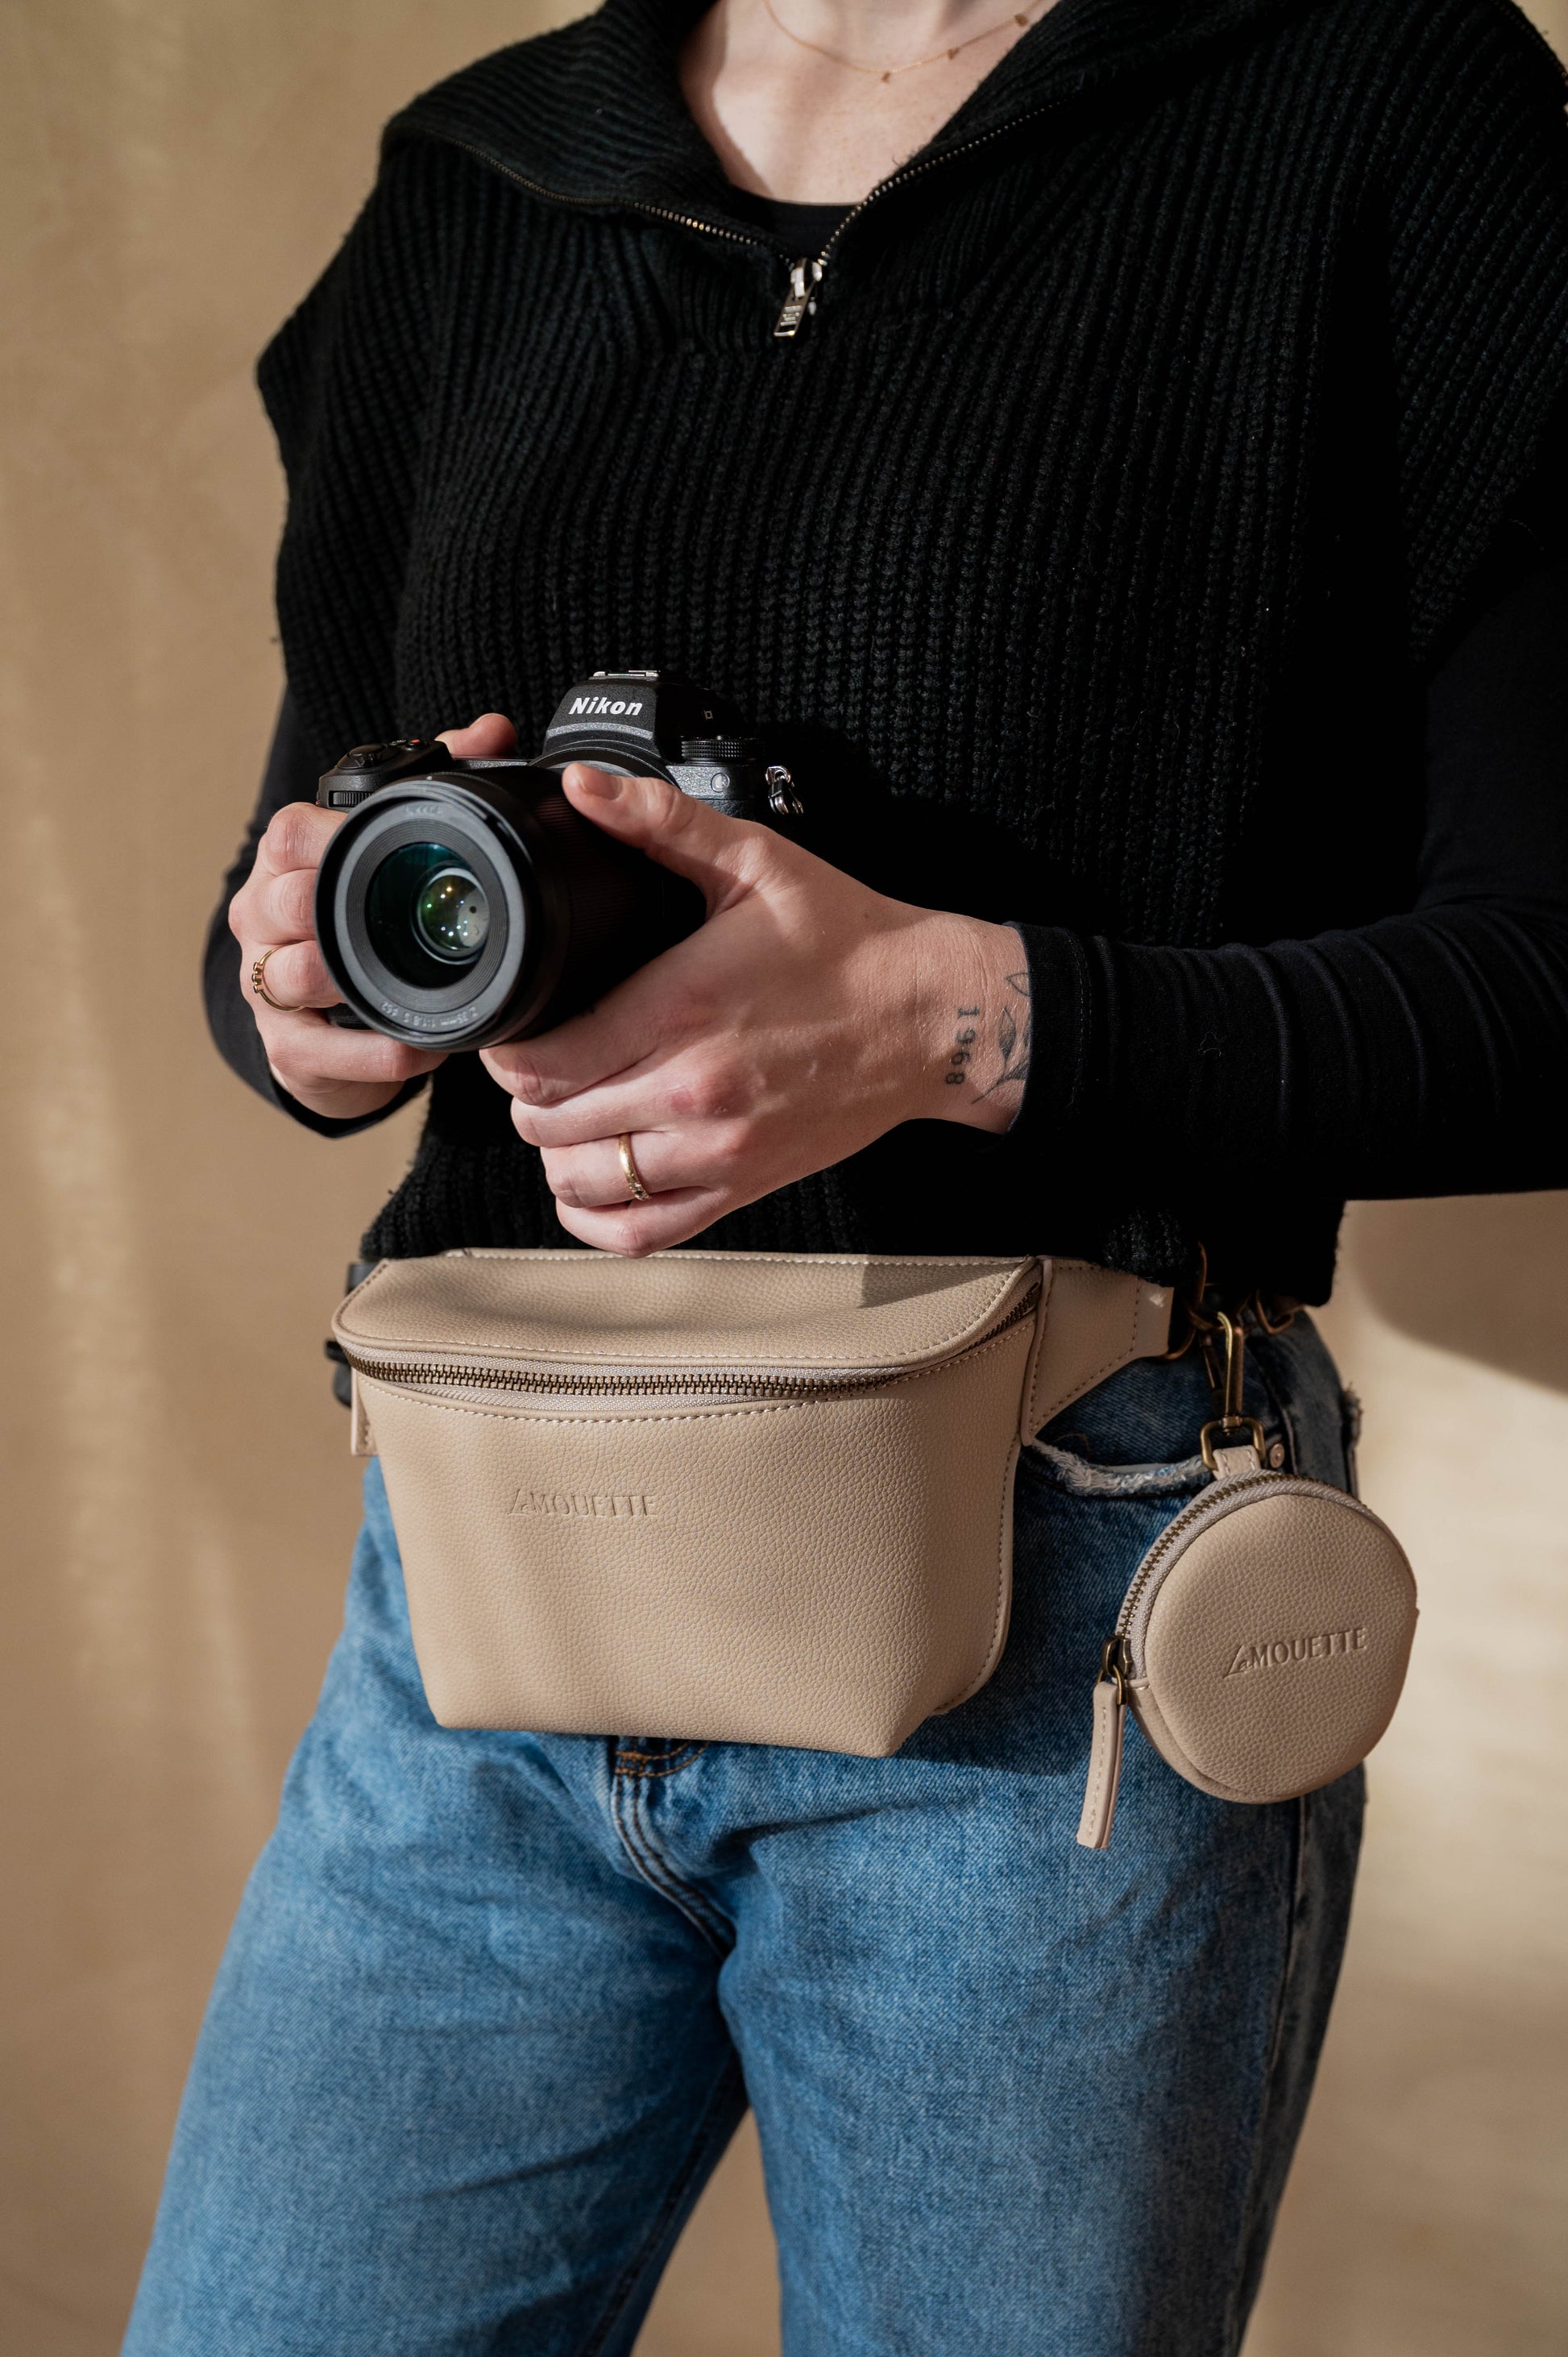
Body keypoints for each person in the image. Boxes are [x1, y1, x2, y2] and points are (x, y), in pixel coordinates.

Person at [128, 0, 1568, 2348]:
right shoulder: (484, 181)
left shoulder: (1372, 107)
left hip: (1056, 1630)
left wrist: (948, 1020)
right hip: (484, 1596)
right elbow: (319, 880)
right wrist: (298, 986)